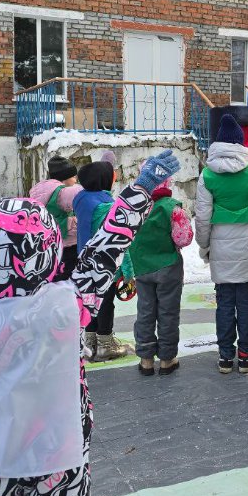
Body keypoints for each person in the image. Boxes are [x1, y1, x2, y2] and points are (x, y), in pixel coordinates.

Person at [0, 151, 180, 496]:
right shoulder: (65, 305)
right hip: (59, 460)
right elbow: (107, 247)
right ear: (45, 248)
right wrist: (142, 187)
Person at [195, 113, 248, 374]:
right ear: (241, 143)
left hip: (222, 246)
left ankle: (224, 356)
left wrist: (204, 245)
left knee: (224, 303)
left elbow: (202, 217)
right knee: (246, 303)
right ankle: (245, 355)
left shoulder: (207, 175)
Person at [128, 167, 193, 376]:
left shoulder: (135, 206)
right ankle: (167, 359)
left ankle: (146, 359)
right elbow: (183, 238)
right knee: (168, 313)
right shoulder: (172, 208)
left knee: (145, 312)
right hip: (168, 267)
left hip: (142, 267)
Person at [73, 155, 133, 361]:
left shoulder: (81, 200)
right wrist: (128, 272)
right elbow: (119, 242)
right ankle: (105, 344)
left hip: (84, 261)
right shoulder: (107, 207)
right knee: (106, 302)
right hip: (105, 265)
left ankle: (89, 341)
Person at [28, 155, 82, 280]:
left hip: (48, 241)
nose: (75, 180)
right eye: (73, 176)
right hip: (67, 242)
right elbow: (81, 195)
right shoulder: (63, 193)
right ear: (65, 178)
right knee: (68, 278)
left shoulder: (40, 190)